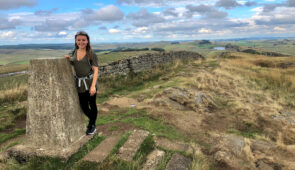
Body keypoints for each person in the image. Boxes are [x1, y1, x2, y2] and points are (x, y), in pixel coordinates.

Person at [64, 31, 99, 135]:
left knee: (92, 104)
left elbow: (96, 70)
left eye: (83, 40)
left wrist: (93, 86)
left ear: (87, 41)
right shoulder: (74, 52)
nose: (81, 42)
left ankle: (92, 125)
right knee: (83, 106)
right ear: (76, 41)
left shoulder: (91, 54)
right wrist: (69, 60)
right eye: (79, 40)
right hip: (80, 84)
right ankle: (92, 120)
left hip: (90, 83)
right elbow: (76, 63)